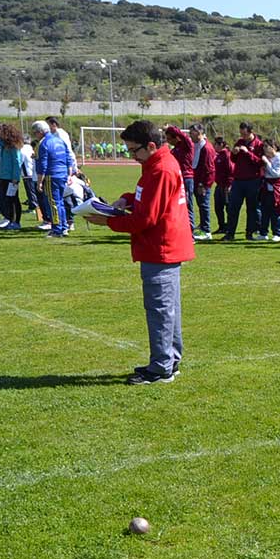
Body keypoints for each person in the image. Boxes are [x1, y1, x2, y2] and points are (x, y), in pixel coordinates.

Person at [81, 120, 193, 386]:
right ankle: (169, 360)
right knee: (167, 310)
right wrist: (126, 199)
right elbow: (148, 199)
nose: (132, 156)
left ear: (151, 145)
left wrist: (107, 221)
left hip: (161, 248)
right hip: (162, 247)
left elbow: (146, 220)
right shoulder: (155, 165)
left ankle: (162, 367)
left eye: (134, 150)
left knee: (160, 310)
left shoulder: (161, 169)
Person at [221, 122, 264, 241]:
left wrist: (248, 153)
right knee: (233, 207)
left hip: (253, 181)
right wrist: (233, 154)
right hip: (238, 181)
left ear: (251, 132)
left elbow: (260, 162)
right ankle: (230, 233)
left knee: (252, 208)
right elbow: (234, 160)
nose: (243, 136)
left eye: (244, 134)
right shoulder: (239, 142)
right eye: (241, 134)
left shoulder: (259, 145)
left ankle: (250, 233)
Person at [36, 117, 74, 237]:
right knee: (60, 202)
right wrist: (69, 173)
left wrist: (39, 181)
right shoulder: (59, 140)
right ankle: (63, 227)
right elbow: (68, 157)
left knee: (53, 202)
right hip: (62, 174)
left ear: (40, 132)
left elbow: (43, 164)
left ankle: (57, 229)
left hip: (51, 175)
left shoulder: (44, 143)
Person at [163, 124, 197, 236]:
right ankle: (178, 230)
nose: (168, 141)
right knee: (175, 205)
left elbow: (183, 135)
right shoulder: (175, 150)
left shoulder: (187, 145)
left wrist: (170, 128)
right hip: (177, 179)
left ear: (175, 137)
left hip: (186, 179)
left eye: (169, 139)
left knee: (187, 205)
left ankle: (190, 233)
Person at [187, 124, 215, 241]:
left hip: (202, 183)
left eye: (192, 133)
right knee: (200, 204)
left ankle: (207, 230)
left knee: (204, 205)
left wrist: (202, 184)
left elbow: (209, 169)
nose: (190, 136)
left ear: (199, 133)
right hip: (196, 180)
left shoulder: (207, 148)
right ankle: (202, 226)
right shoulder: (196, 145)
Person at [0, 123, 25, 231]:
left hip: (11, 178)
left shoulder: (14, 147)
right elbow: (2, 162)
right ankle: (10, 220)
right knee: (7, 200)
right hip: (3, 177)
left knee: (14, 200)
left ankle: (16, 222)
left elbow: (17, 163)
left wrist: (15, 178)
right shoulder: (3, 146)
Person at [260, 139, 280, 241]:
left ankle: (277, 233)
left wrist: (267, 163)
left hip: (277, 188)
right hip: (267, 187)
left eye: (267, 146)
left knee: (276, 211)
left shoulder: (279, 158)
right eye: (264, 147)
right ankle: (263, 233)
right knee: (265, 211)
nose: (264, 149)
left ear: (274, 147)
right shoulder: (267, 157)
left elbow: (276, 173)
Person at [212, 135, 232, 237]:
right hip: (219, 185)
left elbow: (231, 171)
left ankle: (229, 227)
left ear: (221, 144)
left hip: (225, 186)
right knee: (218, 207)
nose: (214, 146)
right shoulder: (218, 155)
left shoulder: (227, 155)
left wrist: (229, 185)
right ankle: (221, 226)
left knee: (228, 207)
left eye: (215, 144)